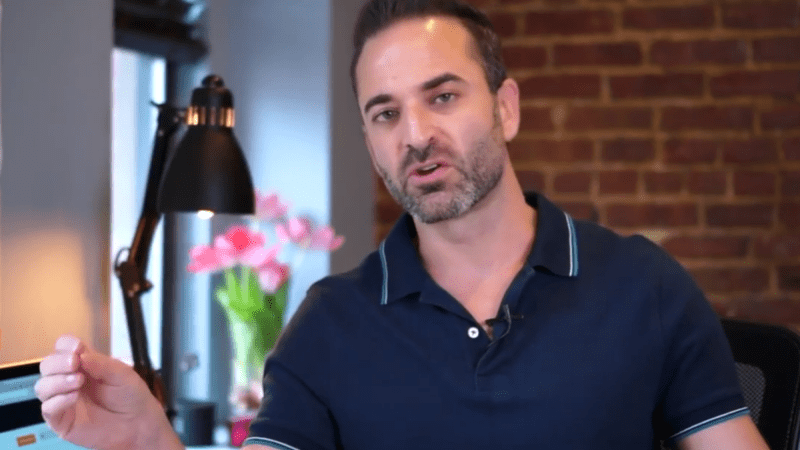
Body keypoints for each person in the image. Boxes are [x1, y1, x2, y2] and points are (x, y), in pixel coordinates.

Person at [36, 1, 769, 449]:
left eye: (442, 97)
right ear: (370, 141)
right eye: (386, 113)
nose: (415, 135)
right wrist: (150, 442)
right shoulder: (329, 325)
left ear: (506, 108)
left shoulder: (644, 286)